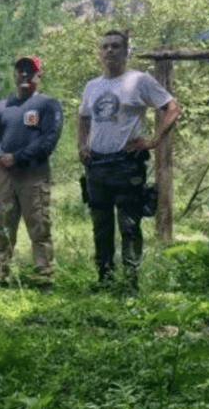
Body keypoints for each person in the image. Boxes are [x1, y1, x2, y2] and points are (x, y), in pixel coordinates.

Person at [77, 30, 180, 291]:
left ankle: (130, 282)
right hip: (97, 165)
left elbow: (171, 107)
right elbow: (83, 117)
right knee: (101, 226)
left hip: (127, 164)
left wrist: (156, 139)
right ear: (100, 53)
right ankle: (105, 278)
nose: (110, 51)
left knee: (129, 224)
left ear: (126, 52)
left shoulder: (139, 80)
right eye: (105, 47)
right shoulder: (92, 86)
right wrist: (82, 145)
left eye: (115, 46)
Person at [0, 55, 63, 289]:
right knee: (2, 226)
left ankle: (43, 276)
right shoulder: (1, 107)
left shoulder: (48, 105)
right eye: (21, 70)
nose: (25, 75)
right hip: (5, 176)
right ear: (15, 74)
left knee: (39, 226)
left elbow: (49, 139)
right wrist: (0, 156)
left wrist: (18, 157)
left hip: (34, 175)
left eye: (31, 71)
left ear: (39, 75)